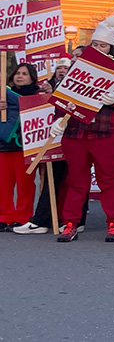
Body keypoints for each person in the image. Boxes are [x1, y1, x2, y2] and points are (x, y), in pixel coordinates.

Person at [54, 17, 114, 243]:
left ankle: (113, 224)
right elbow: (64, 99)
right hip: (76, 133)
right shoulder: (76, 68)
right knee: (76, 180)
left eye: (103, 45)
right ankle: (70, 223)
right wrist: (58, 120)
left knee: (108, 179)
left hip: (107, 133)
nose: (99, 49)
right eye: (96, 45)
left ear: (111, 48)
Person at [0, 64, 41, 231]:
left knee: (25, 185)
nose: (20, 76)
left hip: (26, 147)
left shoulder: (38, 96)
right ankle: (5, 216)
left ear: (32, 77)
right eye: (17, 73)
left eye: (24, 73)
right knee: (4, 184)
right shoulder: (3, 97)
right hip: (4, 145)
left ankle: (23, 216)